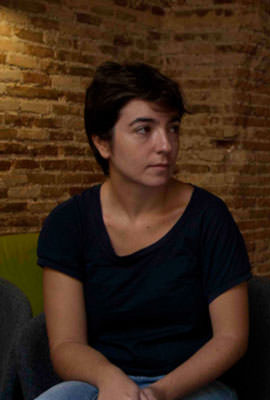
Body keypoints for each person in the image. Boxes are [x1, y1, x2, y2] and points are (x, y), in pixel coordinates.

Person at [35, 62, 252, 400]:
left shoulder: (209, 217)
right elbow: (66, 344)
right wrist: (109, 379)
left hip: (189, 384)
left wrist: (160, 392)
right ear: (103, 143)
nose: (165, 145)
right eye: (144, 129)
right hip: (101, 382)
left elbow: (231, 337)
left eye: (173, 128)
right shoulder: (68, 223)